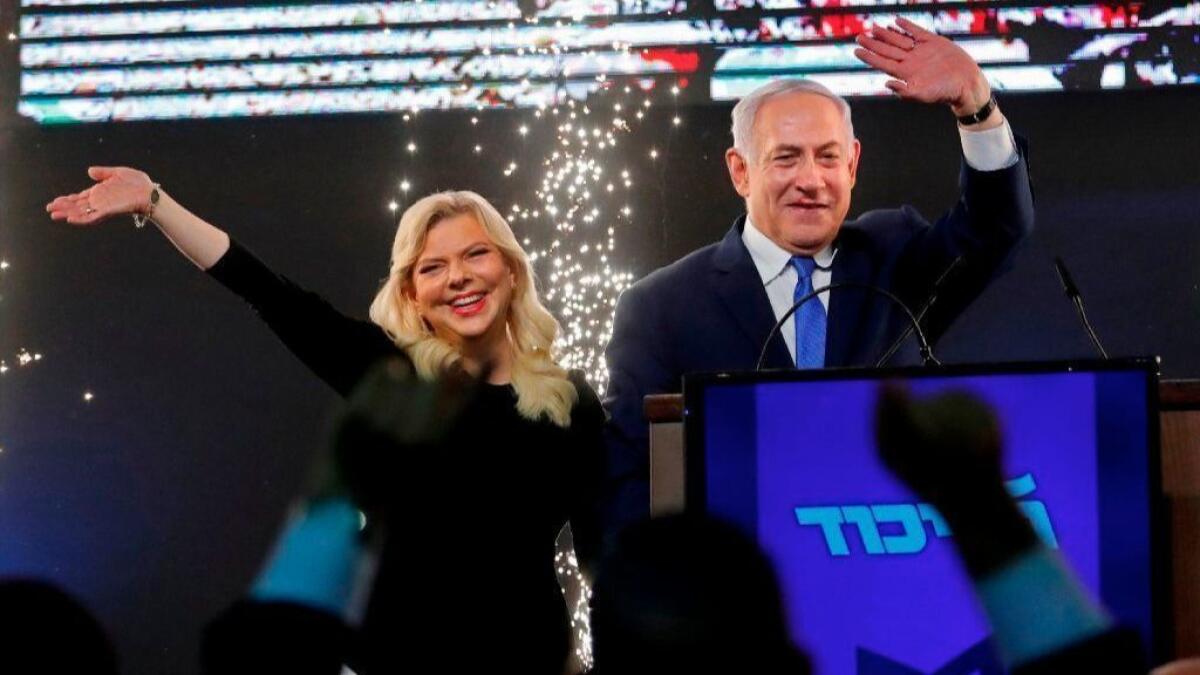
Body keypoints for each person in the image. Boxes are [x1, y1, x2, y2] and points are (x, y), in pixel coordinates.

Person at [46, 176, 606, 673]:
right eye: (432, 267)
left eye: (475, 255)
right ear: (413, 295)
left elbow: (601, 556)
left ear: (510, 269)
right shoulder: (392, 376)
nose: (458, 278)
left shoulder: (569, 400)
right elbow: (268, 292)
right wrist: (156, 202)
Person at [602, 19, 1037, 532]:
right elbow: (624, 485)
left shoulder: (894, 255)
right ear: (740, 170)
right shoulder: (662, 308)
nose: (810, 180)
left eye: (827, 157)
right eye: (786, 158)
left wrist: (975, 103)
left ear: (852, 165)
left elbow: (997, 228)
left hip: (883, 573)